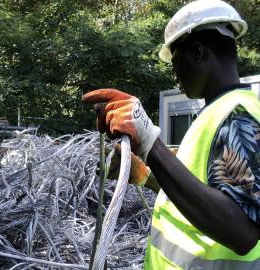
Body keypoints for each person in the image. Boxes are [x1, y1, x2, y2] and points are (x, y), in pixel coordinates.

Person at [82, 0, 260, 269]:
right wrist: (145, 175)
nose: (174, 74)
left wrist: (150, 144)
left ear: (198, 52)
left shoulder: (236, 116)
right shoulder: (221, 111)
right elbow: (200, 190)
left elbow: (242, 232)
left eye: (176, 61)